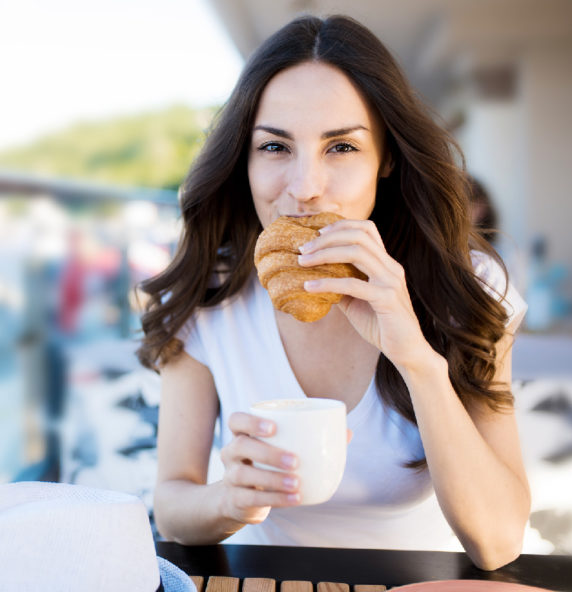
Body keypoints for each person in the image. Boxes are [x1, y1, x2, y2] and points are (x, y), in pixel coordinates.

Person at [137, 15, 529, 571]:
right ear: (243, 161)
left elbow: (498, 541)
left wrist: (416, 356)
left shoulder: (468, 287)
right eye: (275, 148)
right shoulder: (210, 296)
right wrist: (232, 498)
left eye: (341, 147)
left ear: (386, 159)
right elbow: (173, 506)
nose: (305, 189)